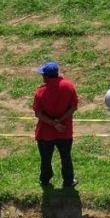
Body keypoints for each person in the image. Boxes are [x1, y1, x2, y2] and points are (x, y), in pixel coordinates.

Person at [33, 61, 78, 189]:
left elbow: (38, 113)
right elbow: (73, 107)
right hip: (65, 131)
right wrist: (60, 121)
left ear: (46, 76)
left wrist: (53, 123)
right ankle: (69, 180)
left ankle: (45, 180)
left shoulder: (41, 91)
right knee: (66, 157)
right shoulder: (69, 86)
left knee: (46, 158)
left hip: (45, 133)